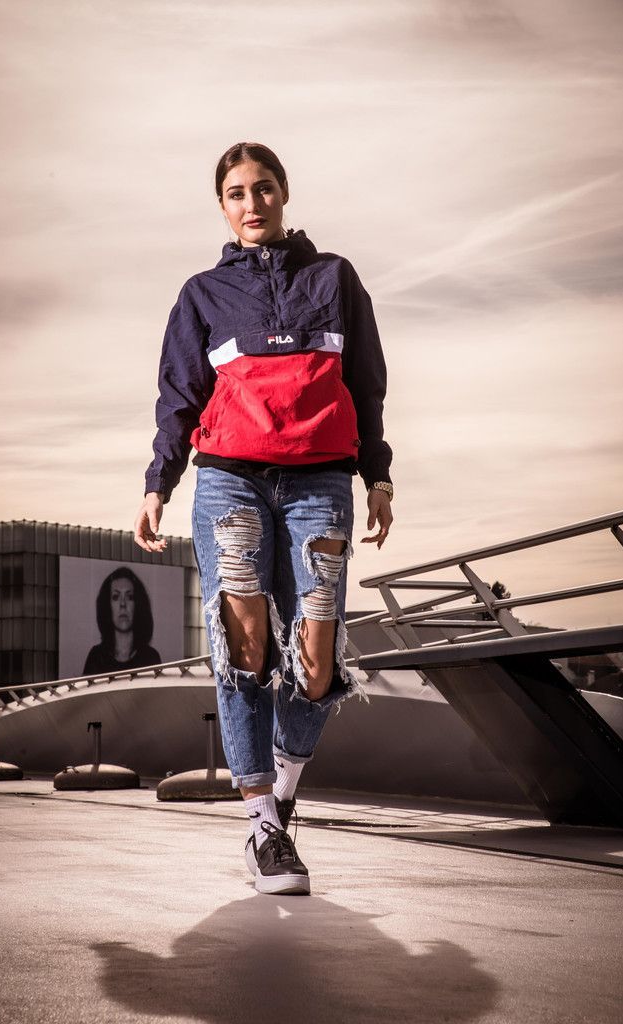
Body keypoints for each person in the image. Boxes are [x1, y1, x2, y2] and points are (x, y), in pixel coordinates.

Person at [134, 141, 393, 895]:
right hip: (230, 480)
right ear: (223, 205)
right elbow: (179, 395)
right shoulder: (202, 294)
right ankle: (261, 829)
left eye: (265, 188)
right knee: (245, 647)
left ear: (284, 193)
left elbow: (366, 382)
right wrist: (158, 482)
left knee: (316, 658)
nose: (253, 204)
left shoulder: (334, 277)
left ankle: (279, 797)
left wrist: (377, 472)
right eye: (237, 193)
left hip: (321, 480)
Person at [82, 567, 161, 674]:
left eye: (129, 597)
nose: (123, 604)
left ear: (138, 605)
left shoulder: (150, 657)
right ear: (107, 605)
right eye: (116, 597)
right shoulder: (96, 657)